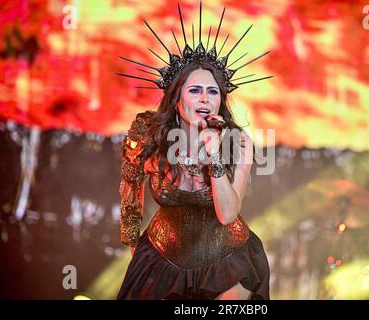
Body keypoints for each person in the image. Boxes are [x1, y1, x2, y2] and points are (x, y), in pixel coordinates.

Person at [116, 2, 271, 300]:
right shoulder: (147, 133)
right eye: (194, 90)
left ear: (220, 101)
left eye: (212, 91)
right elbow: (130, 192)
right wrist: (138, 252)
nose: (204, 99)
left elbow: (227, 214)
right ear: (177, 97)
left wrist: (213, 154)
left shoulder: (236, 142)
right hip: (161, 254)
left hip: (226, 257)